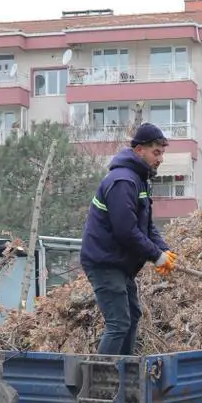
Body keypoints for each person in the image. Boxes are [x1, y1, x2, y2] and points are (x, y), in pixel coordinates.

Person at [80, 123, 177, 355]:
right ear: (139, 150)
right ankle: (100, 385)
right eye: (156, 152)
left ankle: (123, 374)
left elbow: (145, 225)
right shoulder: (123, 181)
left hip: (118, 263)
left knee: (132, 316)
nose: (160, 158)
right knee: (118, 323)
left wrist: (164, 250)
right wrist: (155, 255)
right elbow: (126, 230)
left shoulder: (139, 179)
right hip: (104, 262)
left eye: (162, 153)